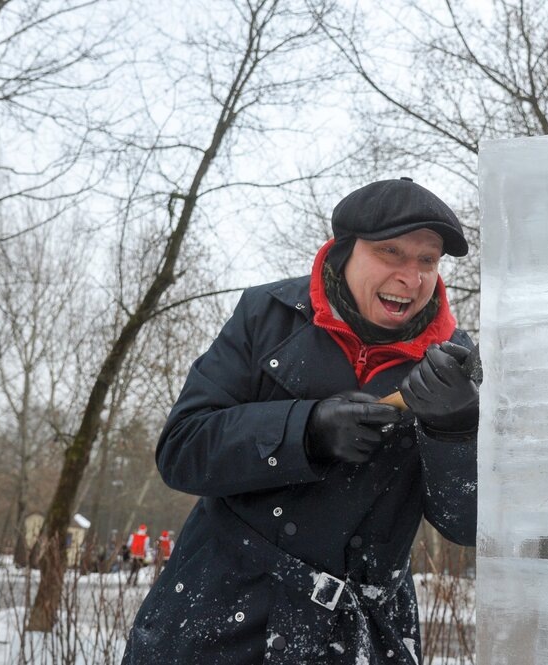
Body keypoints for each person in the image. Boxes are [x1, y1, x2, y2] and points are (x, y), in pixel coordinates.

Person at [122, 178, 478, 664]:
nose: (411, 278)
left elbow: (467, 525)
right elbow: (182, 450)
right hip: (215, 619)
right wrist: (304, 431)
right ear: (344, 249)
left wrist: (454, 431)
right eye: (391, 252)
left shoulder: (456, 365)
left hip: (362, 638)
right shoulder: (265, 315)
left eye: (427, 260)